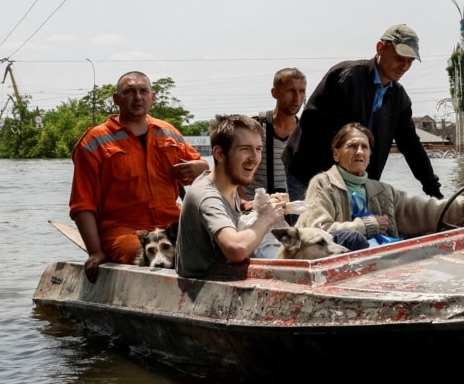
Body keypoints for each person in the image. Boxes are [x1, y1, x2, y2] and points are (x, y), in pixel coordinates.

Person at [70, 71, 207, 283]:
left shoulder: (168, 132)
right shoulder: (94, 142)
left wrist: (202, 166)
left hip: (172, 222)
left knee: (214, 244)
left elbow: (202, 175)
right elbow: (82, 205)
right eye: (129, 92)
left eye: (143, 91)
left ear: (153, 97)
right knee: (141, 255)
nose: (137, 97)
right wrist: (95, 252)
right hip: (123, 229)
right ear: (116, 99)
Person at [283, 24, 441, 201]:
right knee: (309, 227)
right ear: (380, 48)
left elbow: (411, 146)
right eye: (399, 58)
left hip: (354, 181)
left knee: (351, 227)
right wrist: (333, 180)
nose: (404, 66)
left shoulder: (399, 98)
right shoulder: (345, 76)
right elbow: (311, 124)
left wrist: (434, 191)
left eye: (410, 61)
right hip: (307, 172)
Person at [296, 124, 464, 244]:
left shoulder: (382, 191)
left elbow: (426, 210)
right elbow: (317, 232)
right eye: (352, 146)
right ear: (336, 153)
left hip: (386, 259)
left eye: (365, 147)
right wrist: (365, 227)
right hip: (344, 267)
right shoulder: (323, 184)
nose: (359, 152)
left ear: (370, 155)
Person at [177, 114, 289, 277]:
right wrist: (267, 217)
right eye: (245, 149)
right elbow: (236, 249)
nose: (254, 158)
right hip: (205, 291)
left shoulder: (228, 188)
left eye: (258, 149)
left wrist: (266, 209)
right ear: (219, 154)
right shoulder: (207, 196)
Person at [244, 68, 306, 196]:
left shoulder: (306, 132)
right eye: (290, 91)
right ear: (274, 93)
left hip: (290, 210)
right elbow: (228, 168)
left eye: (302, 91)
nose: (297, 98)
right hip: (253, 210)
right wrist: (244, 202)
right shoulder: (253, 124)